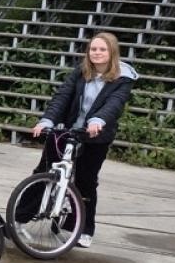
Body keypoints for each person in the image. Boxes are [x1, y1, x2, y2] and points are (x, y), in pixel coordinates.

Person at [26, 31, 137, 249]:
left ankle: (83, 228)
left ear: (111, 52)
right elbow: (62, 97)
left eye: (102, 49)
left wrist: (98, 120)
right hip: (67, 130)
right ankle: (18, 217)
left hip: (95, 135)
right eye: (93, 49)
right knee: (43, 173)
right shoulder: (80, 72)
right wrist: (47, 120)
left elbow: (114, 104)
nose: (97, 53)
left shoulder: (123, 78)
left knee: (85, 181)